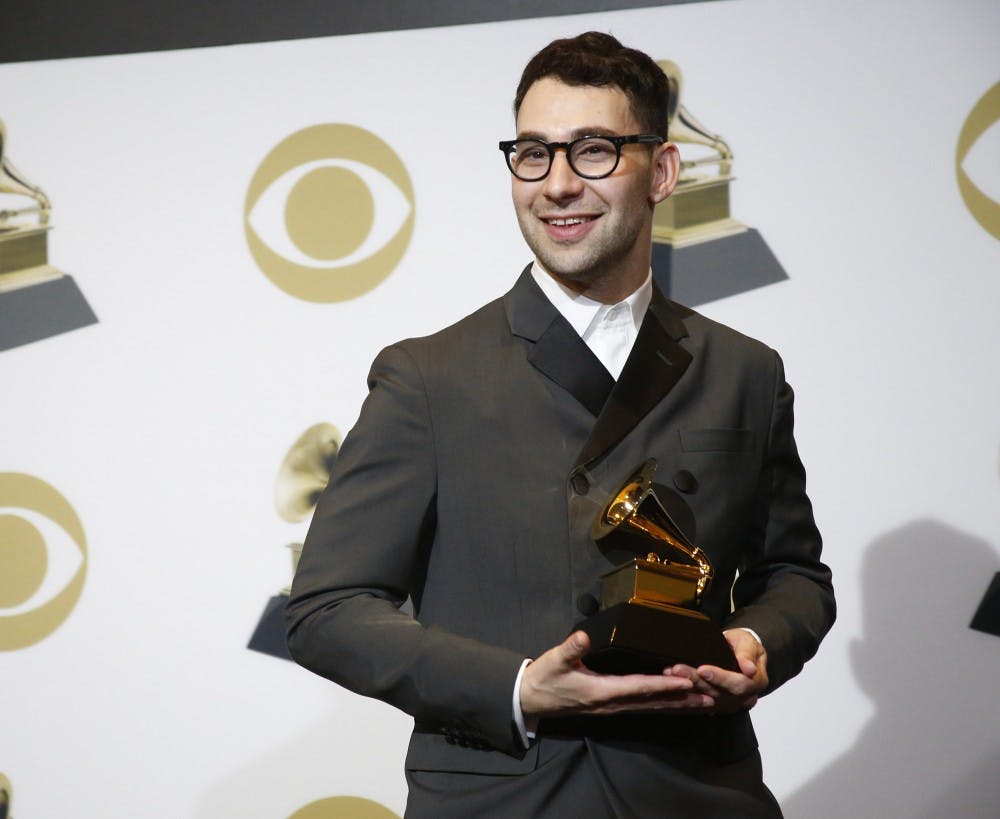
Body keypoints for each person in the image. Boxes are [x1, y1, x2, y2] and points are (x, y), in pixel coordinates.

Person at [286, 31, 835, 819]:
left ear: (664, 171)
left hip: (697, 795)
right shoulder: (427, 378)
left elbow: (795, 579)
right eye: (533, 154)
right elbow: (324, 609)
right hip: (508, 798)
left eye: (594, 151)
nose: (558, 185)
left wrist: (756, 644)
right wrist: (515, 686)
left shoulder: (745, 370)